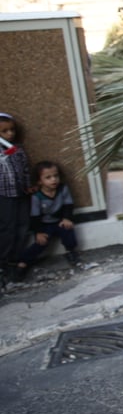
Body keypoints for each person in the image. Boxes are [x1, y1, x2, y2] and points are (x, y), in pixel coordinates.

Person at [14, 161, 80, 278]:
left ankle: (71, 251)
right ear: (40, 181)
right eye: (48, 177)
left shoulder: (62, 189)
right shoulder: (37, 196)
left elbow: (68, 205)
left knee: (68, 231)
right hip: (44, 224)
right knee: (41, 243)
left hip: (60, 221)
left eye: (56, 176)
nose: (53, 180)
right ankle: (23, 262)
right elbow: (35, 216)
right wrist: (38, 232)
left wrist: (67, 218)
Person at [0, 112, 30, 287]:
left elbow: (25, 169)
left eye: (12, 130)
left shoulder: (17, 149)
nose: (10, 134)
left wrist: (27, 185)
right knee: (7, 229)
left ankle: (15, 260)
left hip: (21, 194)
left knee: (23, 227)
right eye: (4, 132)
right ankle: (3, 262)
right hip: (4, 196)